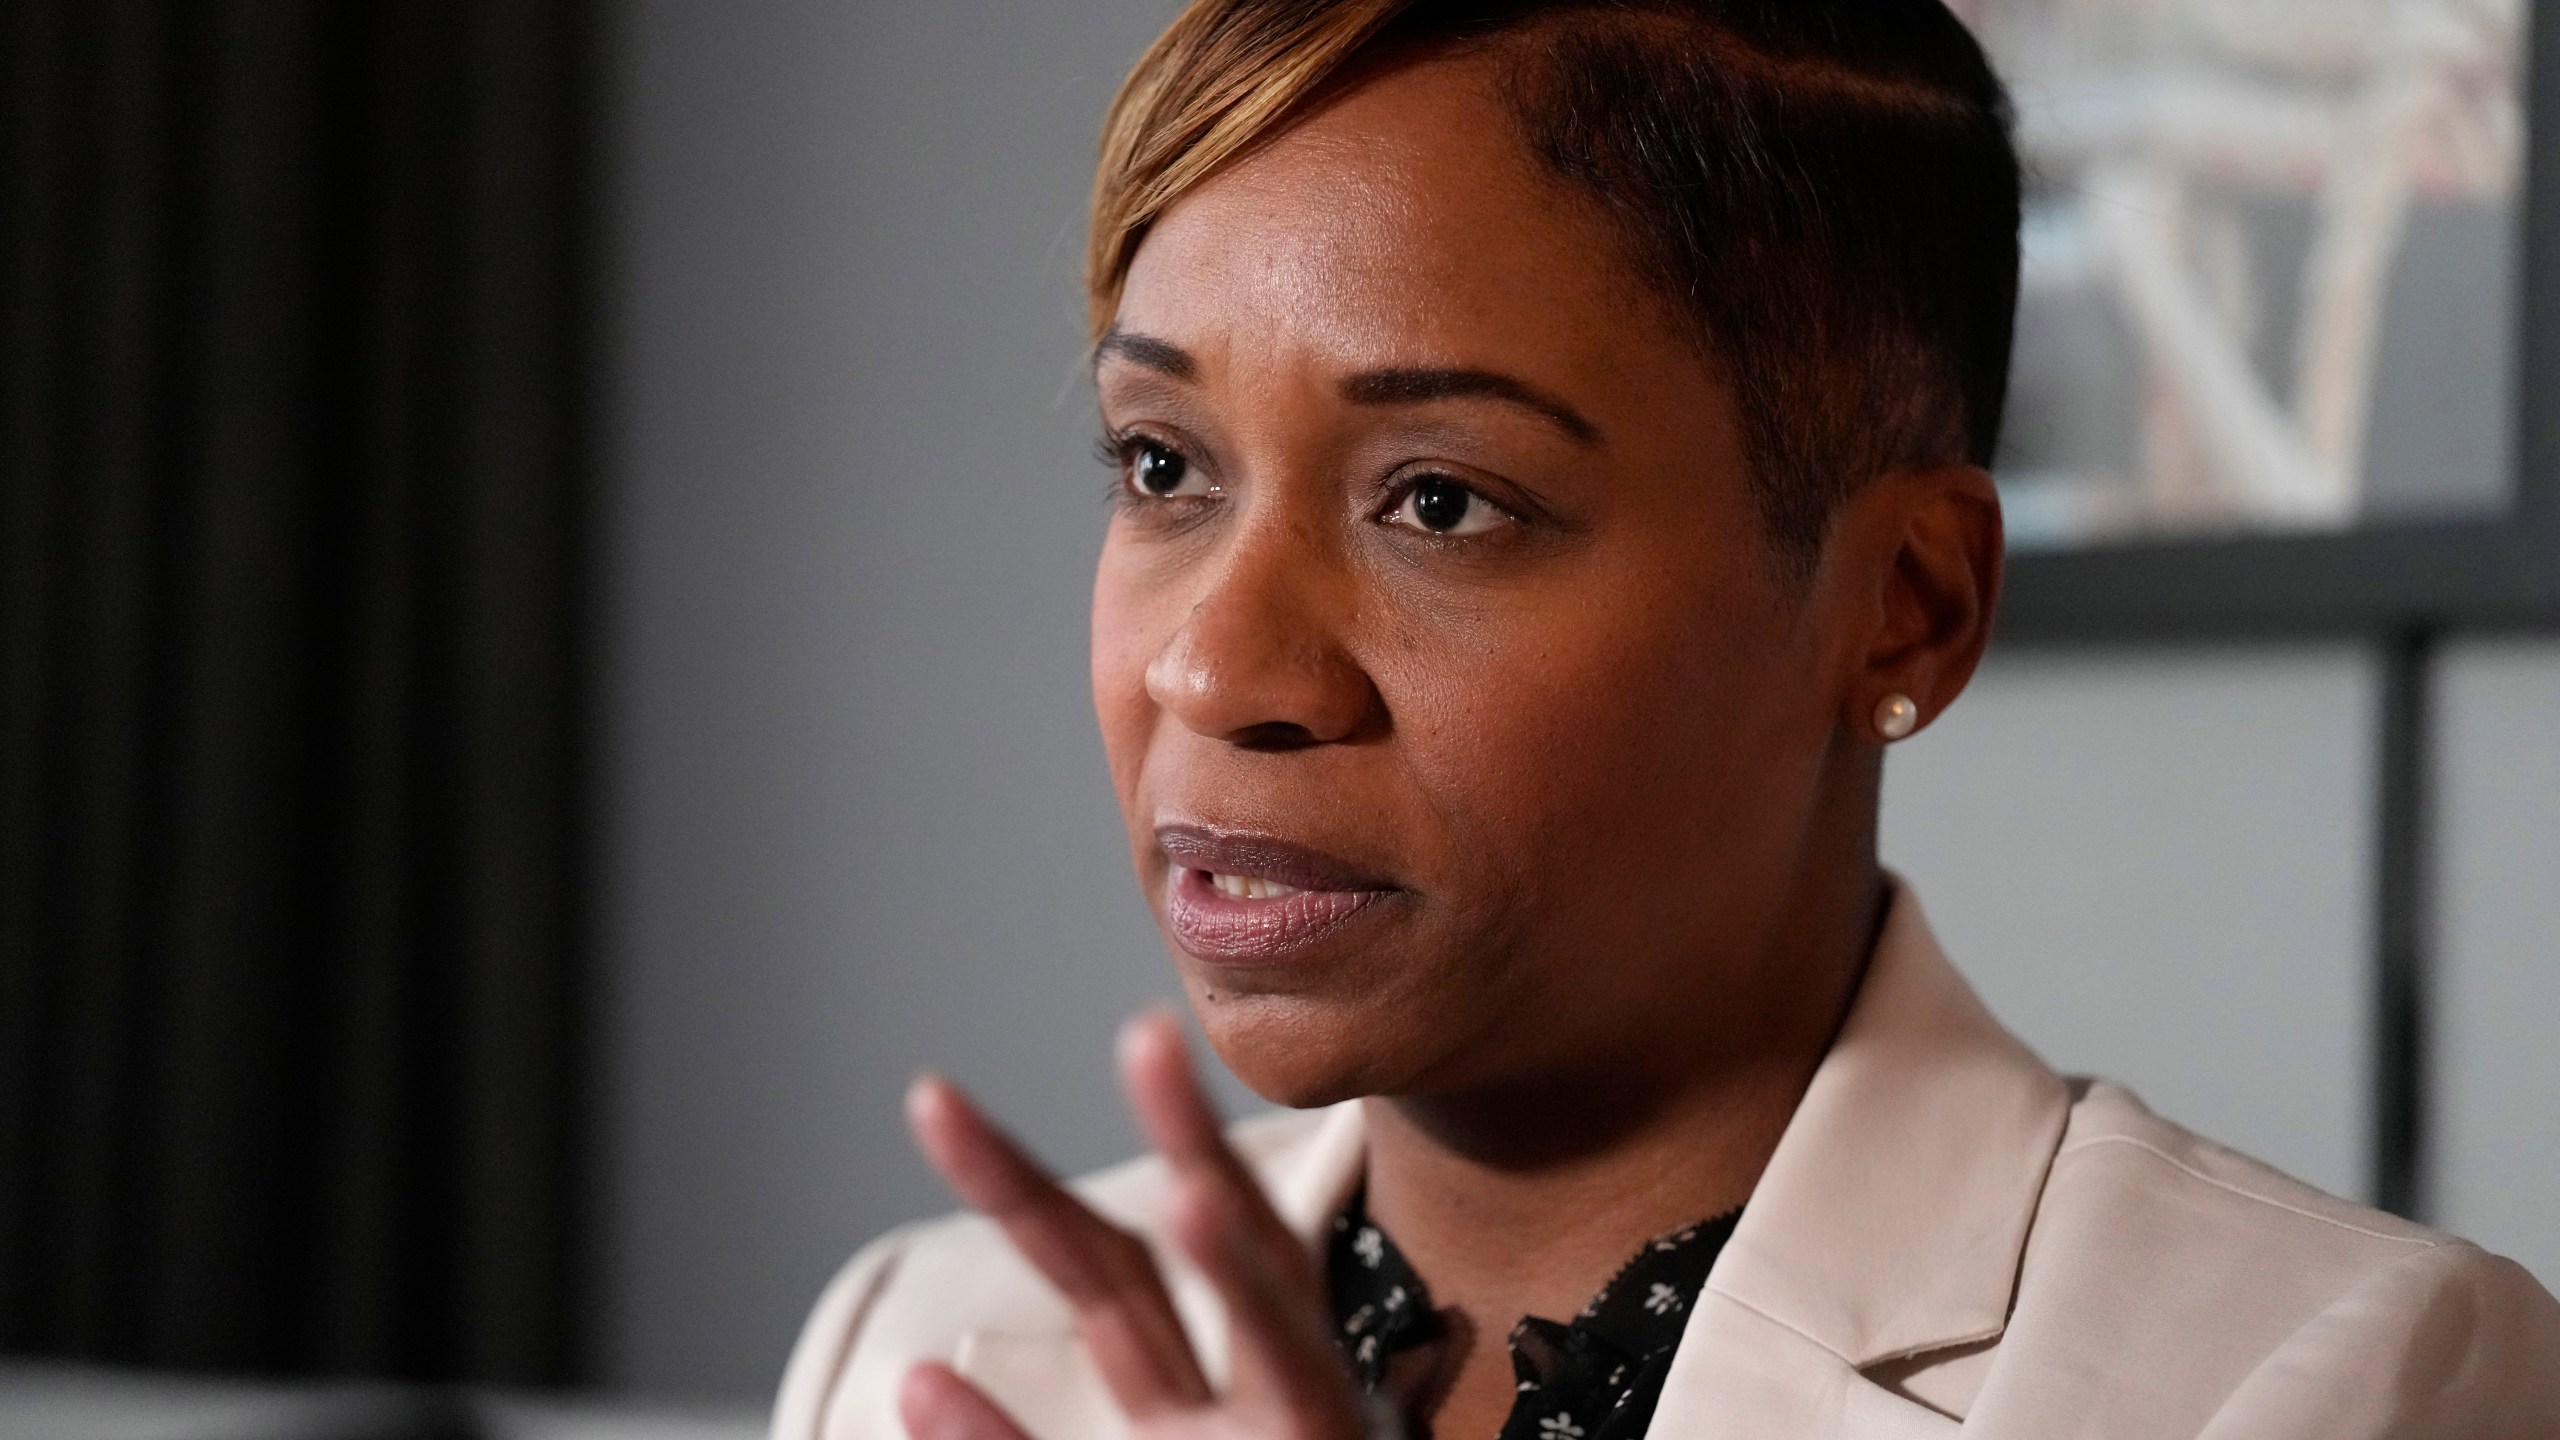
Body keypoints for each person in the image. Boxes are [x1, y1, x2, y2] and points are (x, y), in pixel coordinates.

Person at [773, 2, 2560, 1435]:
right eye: (1162, 465)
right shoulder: (930, 1351)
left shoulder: (2350, 1383)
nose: (1215, 673)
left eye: (1443, 501)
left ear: (1905, 604)